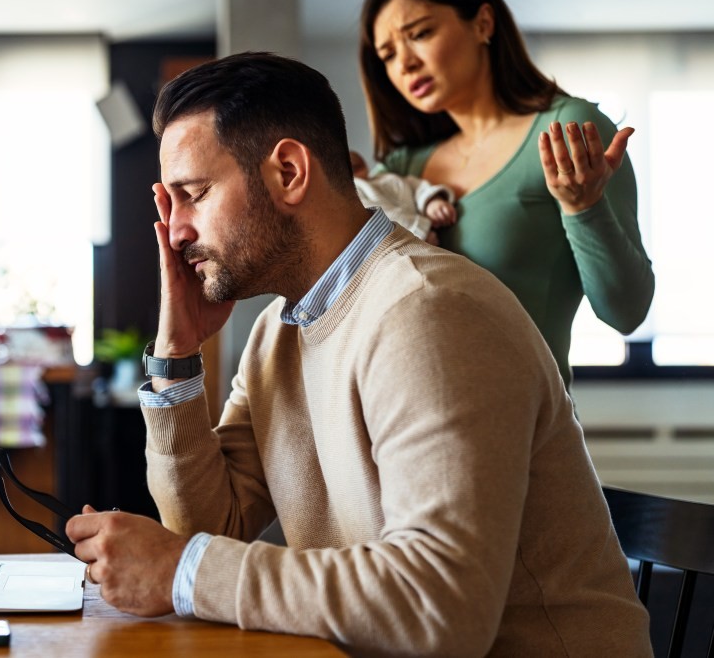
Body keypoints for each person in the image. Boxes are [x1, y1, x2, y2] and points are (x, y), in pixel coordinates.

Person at [65, 51, 651, 656]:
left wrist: (186, 570)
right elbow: (207, 527)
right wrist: (177, 353)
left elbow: (440, 610)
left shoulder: (427, 311)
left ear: (289, 172)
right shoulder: (278, 332)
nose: (177, 231)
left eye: (195, 194)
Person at [359, 0, 655, 388]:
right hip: (406, 419)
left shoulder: (564, 130)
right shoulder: (402, 165)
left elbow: (627, 312)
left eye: (420, 34)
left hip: (521, 427)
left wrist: (583, 207)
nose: (404, 63)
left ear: (483, 23)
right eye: (387, 54)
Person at [350, 149, 456, 245]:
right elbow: (384, 214)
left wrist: (431, 202)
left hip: (425, 230)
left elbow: (415, 186)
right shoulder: (355, 192)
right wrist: (416, 230)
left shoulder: (387, 178)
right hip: (404, 243)